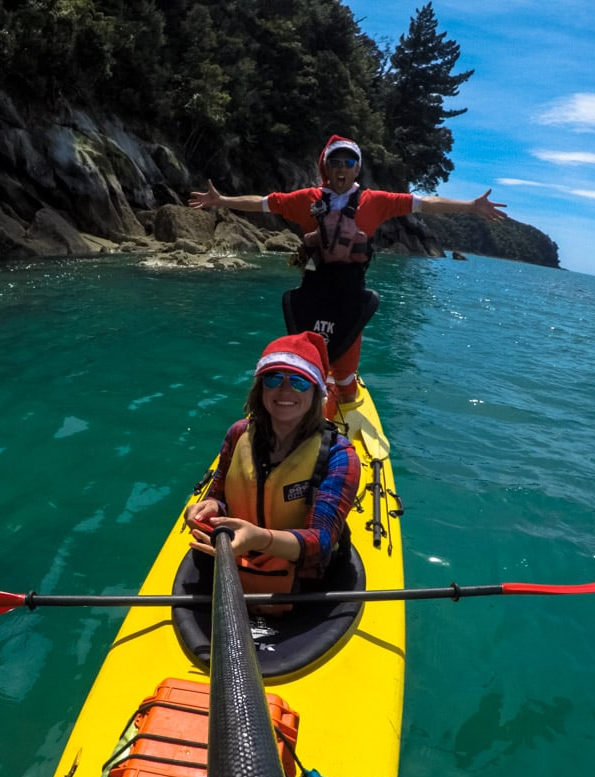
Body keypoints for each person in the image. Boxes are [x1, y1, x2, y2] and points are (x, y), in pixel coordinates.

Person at [189, 134, 508, 408]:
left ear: (357, 167)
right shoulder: (306, 199)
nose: (342, 168)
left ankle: (344, 397)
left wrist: (469, 206)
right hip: (313, 287)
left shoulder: (375, 201)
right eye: (335, 162)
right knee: (304, 354)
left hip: (349, 292)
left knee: (344, 366)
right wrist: (221, 201)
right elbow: (261, 203)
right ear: (325, 167)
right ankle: (308, 399)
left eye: (349, 162)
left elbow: (425, 203)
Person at [183, 331, 360, 603]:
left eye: (299, 382)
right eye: (274, 379)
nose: (285, 390)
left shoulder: (340, 456)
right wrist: (211, 508)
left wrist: (259, 539)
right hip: (232, 568)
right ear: (261, 388)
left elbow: (321, 542)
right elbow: (218, 494)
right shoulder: (237, 434)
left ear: (316, 392)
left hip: (304, 589)